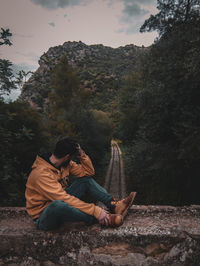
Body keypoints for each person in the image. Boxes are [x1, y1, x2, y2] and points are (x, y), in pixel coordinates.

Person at [25, 136, 136, 231]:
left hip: (61, 201)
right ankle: (101, 219)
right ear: (68, 156)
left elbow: (88, 173)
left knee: (85, 181)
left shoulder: (64, 164)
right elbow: (63, 198)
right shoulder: (41, 174)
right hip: (44, 216)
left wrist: (81, 154)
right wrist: (96, 211)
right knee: (58, 205)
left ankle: (114, 205)